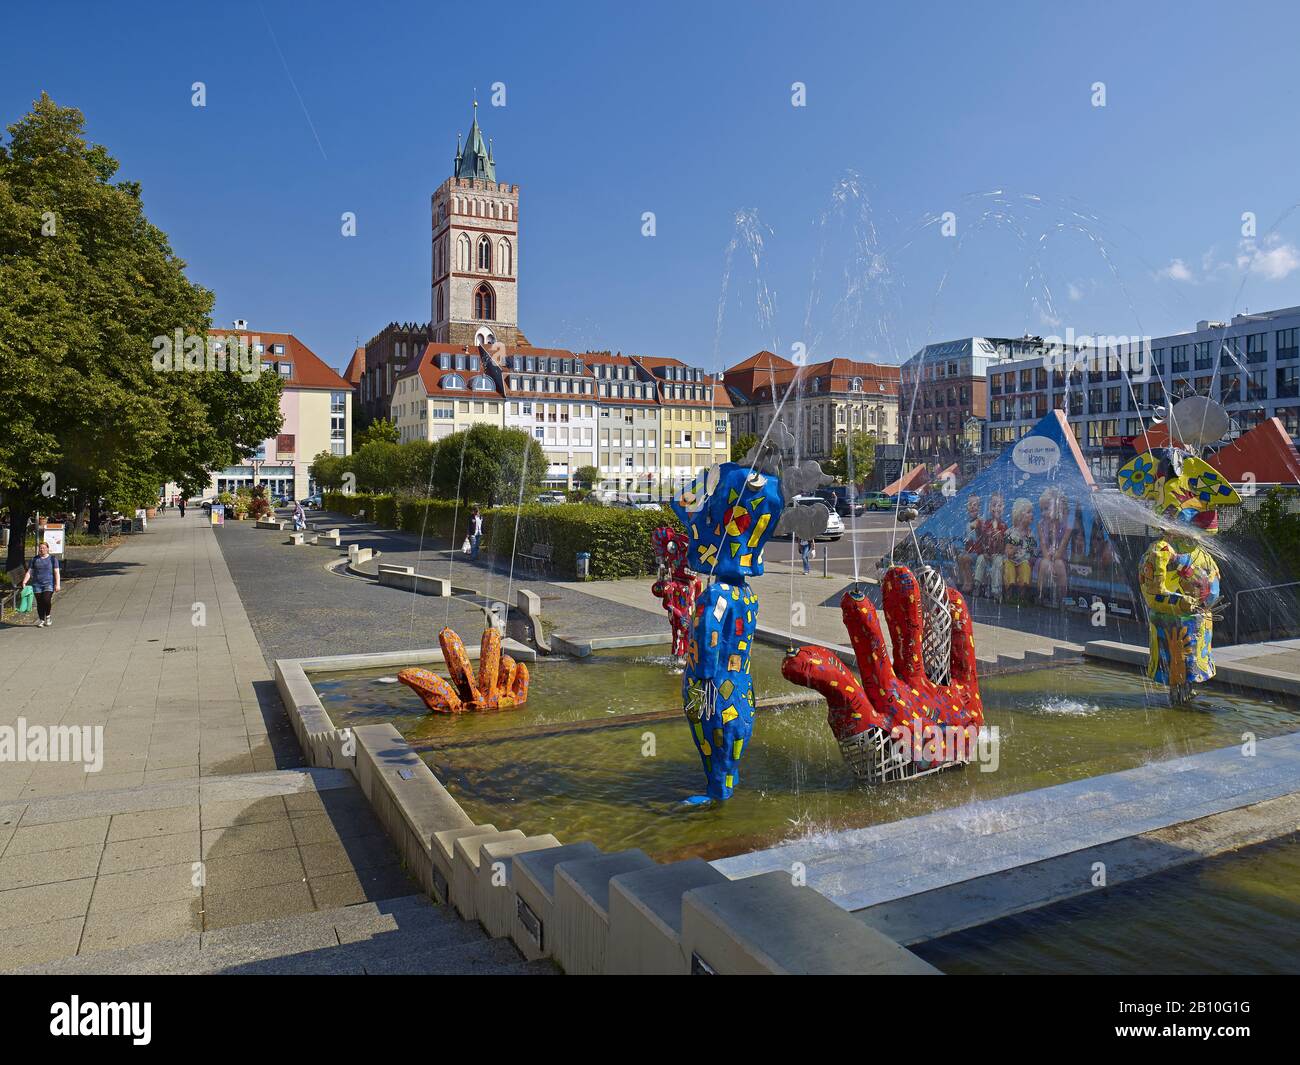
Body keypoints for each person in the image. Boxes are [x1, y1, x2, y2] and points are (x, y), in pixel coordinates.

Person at [22, 540, 61, 628]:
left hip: (48, 584)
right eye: (40, 548)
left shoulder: (52, 559)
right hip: (37, 584)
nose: (42, 550)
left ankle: (48, 616)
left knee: (46, 600)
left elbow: (56, 572)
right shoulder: (34, 559)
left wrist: (57, 584)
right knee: (40, 603)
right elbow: (30, 571)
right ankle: (41, 620)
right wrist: (24, 581)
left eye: (43, 548)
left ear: (47, 549)